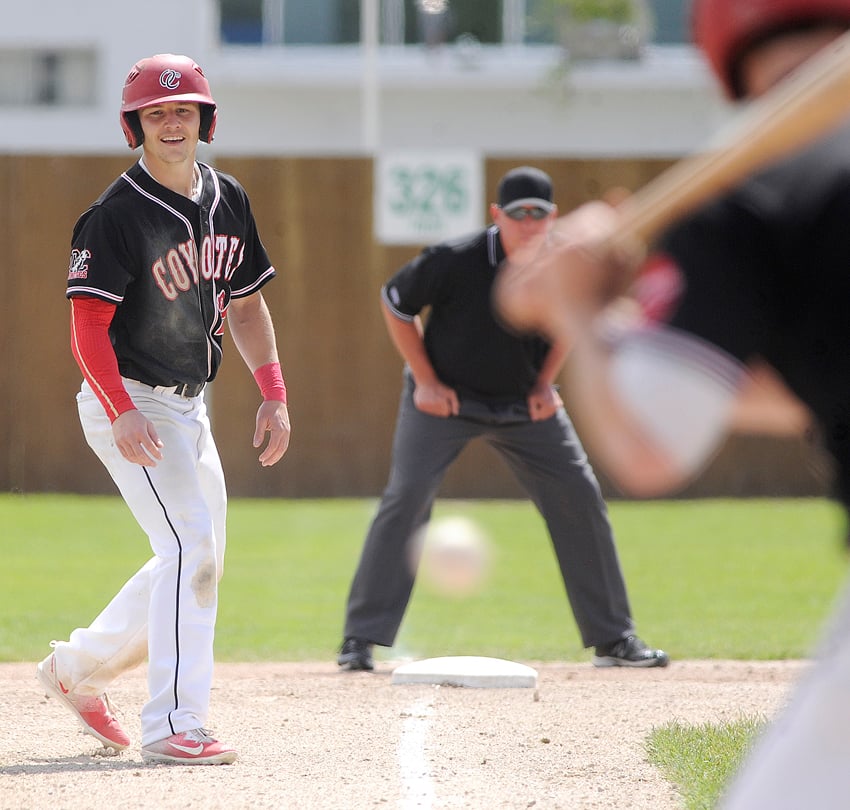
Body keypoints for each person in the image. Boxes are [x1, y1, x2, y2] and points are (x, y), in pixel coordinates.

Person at [494, 2, 850, 807]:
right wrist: (625, 327)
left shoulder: (752, 202)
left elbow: (650, 448)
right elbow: (812, 389)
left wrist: (576, 314)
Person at [36, 53, 291, 766]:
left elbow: (246, 304)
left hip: (190, 408)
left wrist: (273, 390)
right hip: (131, 403)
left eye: (183, 110)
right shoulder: (114, 216)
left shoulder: (227, 197)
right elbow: (87, 329)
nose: (172, 122)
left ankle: (76, 670)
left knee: (189, 555)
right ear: (136, 126)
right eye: (157, 113)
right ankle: (173, 722)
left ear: (205, 119)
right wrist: (120, 409)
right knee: (191, 550)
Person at [337, 166, 668, 673]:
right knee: (407, 498)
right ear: (498, 216)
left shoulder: (565, 263)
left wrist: (544, 384)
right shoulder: (456, 258)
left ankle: (615, 638)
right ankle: (360, 639)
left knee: (579, 495)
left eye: (539, 214)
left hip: (521, 403)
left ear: (553, 217)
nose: (530, 223)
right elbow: (395, 303)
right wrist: (425, 379)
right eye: (519, 215)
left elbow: (575, 320)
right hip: (444, 399)